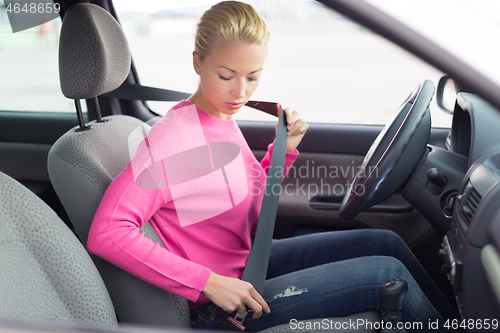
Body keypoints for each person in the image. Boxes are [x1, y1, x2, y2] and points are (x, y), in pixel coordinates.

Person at [87, 1, 459, 332]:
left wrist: (285, 151)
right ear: (198, 63)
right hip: (221, 306)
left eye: (253, 76)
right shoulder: (173, 141)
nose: (240, 92)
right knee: (387, 275)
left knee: (387, 243)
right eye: (226, 75)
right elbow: (108, 231)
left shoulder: (220, 119)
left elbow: (252, 204)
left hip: (251, 262)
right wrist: (208, 282)